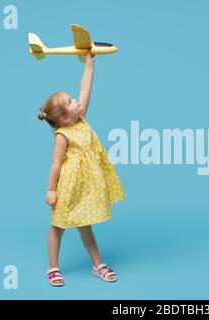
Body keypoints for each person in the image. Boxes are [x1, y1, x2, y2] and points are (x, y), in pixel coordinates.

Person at [37, 51, 125, 287]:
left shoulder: (80, 117)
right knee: (58, 227)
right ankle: (53, 267)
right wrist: (51, 190)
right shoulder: (63, 133)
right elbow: (56, 164)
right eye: (70, 102)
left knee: (86, 227)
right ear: (64, 119)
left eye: (72, 99)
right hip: (68, 188)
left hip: (85, 187)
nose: (76, 101)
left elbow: (85, 89)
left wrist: (90, 64)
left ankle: (98, 265)